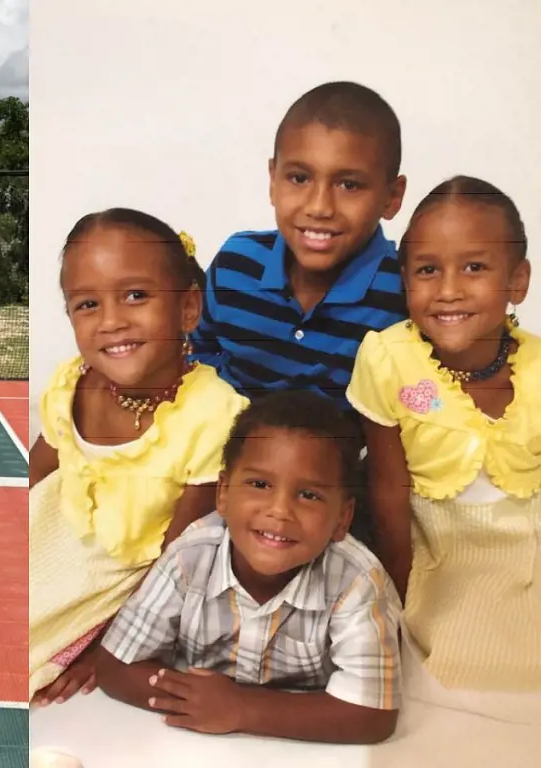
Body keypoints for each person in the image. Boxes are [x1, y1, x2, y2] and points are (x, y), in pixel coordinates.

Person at [28, 209, 249, 704]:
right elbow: (31, 480)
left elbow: (180, 559)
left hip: (113, 585)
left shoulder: (214, 414)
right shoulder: (72, 383)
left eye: (135, 295)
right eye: (87, 303)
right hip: (47, 546)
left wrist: (107, 650)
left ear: (188, 308)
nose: (111, 321)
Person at [95, 391, 402, 745]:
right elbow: (116, 666)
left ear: (342, 518)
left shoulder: (357, 581)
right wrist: (199, 702)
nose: (279, 511)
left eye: (309, 495)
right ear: (223, 492)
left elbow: (373, 716)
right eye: (260, 485)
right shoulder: (190, 555)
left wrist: (242, 709)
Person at [348, 176, 541, 722]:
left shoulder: (537, 364)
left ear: (517, 280)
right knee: (456, 660)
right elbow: (388, 488)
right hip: (439, 543)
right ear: (404, 280)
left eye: (474, 267)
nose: (449, 289)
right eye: (428, 270)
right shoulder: (388, 359)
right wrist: (400, 593)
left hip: (528, 534)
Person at [187, 81, 410, 547]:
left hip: (337, 504)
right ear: (272, 178)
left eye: (349, 184)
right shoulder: (236, 264)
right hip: (224, 487)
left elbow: (420, 404)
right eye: (299, 178)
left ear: (392, 196)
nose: (319, 206)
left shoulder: (405, 291)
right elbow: (200, 358)